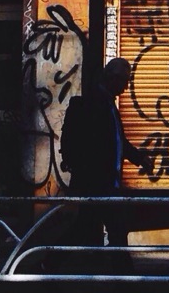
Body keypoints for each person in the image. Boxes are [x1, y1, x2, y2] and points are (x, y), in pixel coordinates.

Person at [59, 57, 155, 249]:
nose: (126, 88)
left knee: (87, 227)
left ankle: (49, 263)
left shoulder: (108, 105)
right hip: (98, 183)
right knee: (114, 230)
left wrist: (139, 158)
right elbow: (92, 144)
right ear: (114, 79)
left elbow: (118, 142)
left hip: (105, 183)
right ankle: (125, 275)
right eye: (125, 82)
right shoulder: (95, 104)